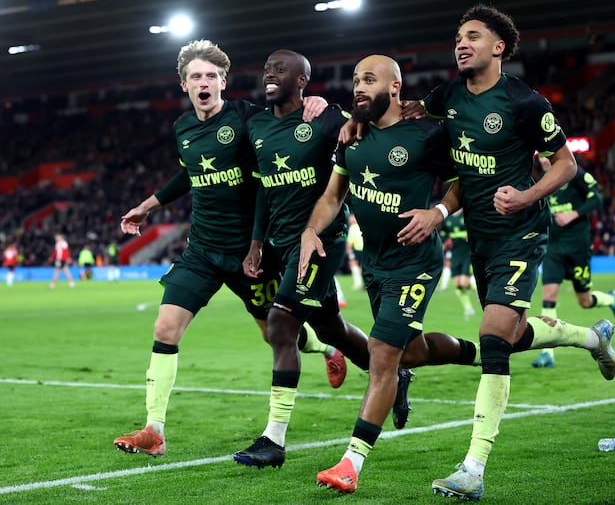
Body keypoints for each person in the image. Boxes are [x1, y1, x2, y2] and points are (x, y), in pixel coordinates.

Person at [390, 4, 615, 500]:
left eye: (472, 35)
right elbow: (437, 151)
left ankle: (473, 469)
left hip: (522, 233)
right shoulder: (445, 97)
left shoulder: (524, 103)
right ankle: (590, 338)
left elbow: (566, 165)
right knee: (510, 335)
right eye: (457, 36)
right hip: (480, 238)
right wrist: (438, 211)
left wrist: (527, 195)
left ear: (499, 47)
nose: (461, 43)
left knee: (493, 339)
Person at [112, 39, 344, 458]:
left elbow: (289, 116)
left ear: (223, 81)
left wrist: (318, 103)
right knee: (165, 328)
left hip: (248, 255)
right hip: (201, 250)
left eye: (210, 76)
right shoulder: (183, 129)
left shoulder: (247, 118)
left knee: (272, 333)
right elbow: (190, 175)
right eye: (195, 76)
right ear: (184, 85)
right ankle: (154, 430)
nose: (204, 83)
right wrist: (149, 205)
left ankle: (325, 347)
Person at [233, 50, 420, 470]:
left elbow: (364, 123)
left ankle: (273, 440)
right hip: (281, 243)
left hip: (322, 240)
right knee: (328, 324)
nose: (269, 74)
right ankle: (392, 373)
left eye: (280, 69)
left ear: (302, 81)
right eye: (266, 69)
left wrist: (336, 108)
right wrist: (256, 241)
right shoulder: (258, 126)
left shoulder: (323, 118)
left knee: (281, 322)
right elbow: (264, 187)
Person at [303, 54, 482, 495]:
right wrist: (310, 230)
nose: (358, 87)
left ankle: (351, 462)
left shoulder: (427, 134)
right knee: (411, 352)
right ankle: (480, 353)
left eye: (369, 80)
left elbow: (465, 180)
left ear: (396, 87)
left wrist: (438, 211)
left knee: (382, 353)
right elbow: (333, 195)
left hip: (414, 262)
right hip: (376, 265)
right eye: (355, 80)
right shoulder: (353, 136)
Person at [531, 156, 615, 369]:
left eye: (546, 154)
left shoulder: (574, 173)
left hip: (578, 248)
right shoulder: (543, 180)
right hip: (553, 248)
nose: (543, 159)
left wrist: (573, 214)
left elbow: (597, 199)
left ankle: (609, 299)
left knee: (584, 301)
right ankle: (548, 354)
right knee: (548, 296)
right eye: (541, 156)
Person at [440, 208, 476, 318]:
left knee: (464, 283)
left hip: (466, 252)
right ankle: (468, 308)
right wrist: (443, 244)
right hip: (455, 253)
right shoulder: (448, 219)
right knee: (458, 285)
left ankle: (480, 289)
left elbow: (474, 228)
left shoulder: (466, 216)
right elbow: (443, 233)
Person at [346, 213, 364, 290]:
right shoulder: (353, 227)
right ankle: (358, 283)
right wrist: (351, 255)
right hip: (358, 250)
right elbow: (349, 243)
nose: (351, 220)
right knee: (354, 266)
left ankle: (364, 284)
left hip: (366, 250)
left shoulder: (363, 225)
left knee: (363, 268)